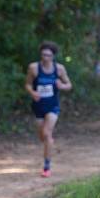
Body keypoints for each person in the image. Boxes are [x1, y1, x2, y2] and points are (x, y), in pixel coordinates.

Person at [24, 41, 72, 178]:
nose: (45, 58)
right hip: (38, 106)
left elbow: (69, 85)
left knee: (46, 133)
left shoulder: (59, 69)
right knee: (43, 137)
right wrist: (32, 93)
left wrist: (61, 86)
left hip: (52, 106)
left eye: (48, 55)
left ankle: (46, 166)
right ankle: (49, 143)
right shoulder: (34, 68)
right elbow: (27, 84)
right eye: (43, 55)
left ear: (53, 56)